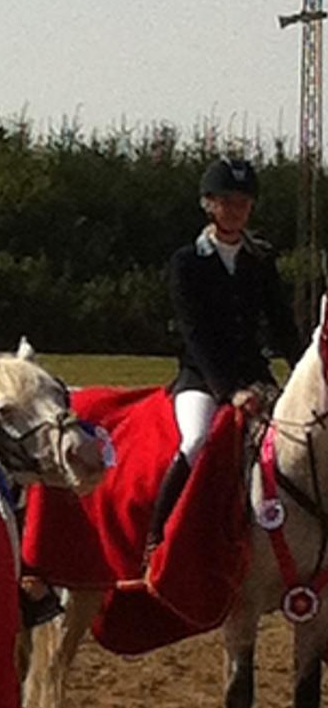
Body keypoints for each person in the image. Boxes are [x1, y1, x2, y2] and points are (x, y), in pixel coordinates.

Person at [147, 157, 302, 559]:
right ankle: (157, 537)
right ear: (209, 204)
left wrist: (307, 372)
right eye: (227, 201)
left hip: (257, 376)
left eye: (243, 202)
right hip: (203, 378)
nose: (236, 209)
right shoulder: (187, 262)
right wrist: (228, 391)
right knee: (196, 440)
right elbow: (195, 334)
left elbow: (282, 324)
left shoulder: (260, 260)